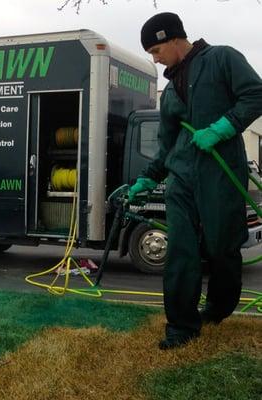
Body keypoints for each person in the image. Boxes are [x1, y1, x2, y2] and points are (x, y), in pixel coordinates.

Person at [129, 12, 262, 350]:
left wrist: (223, 128)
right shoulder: (169, 93)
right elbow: (167, 145)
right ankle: (181, 327)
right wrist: (147, 179)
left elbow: (255, 95)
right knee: (181, 252)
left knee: (222, 249)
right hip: (181, 179)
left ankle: (217, 310)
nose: (155, 60)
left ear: (174, 39)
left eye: (157, 50)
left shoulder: (222, 59)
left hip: (221, 173)